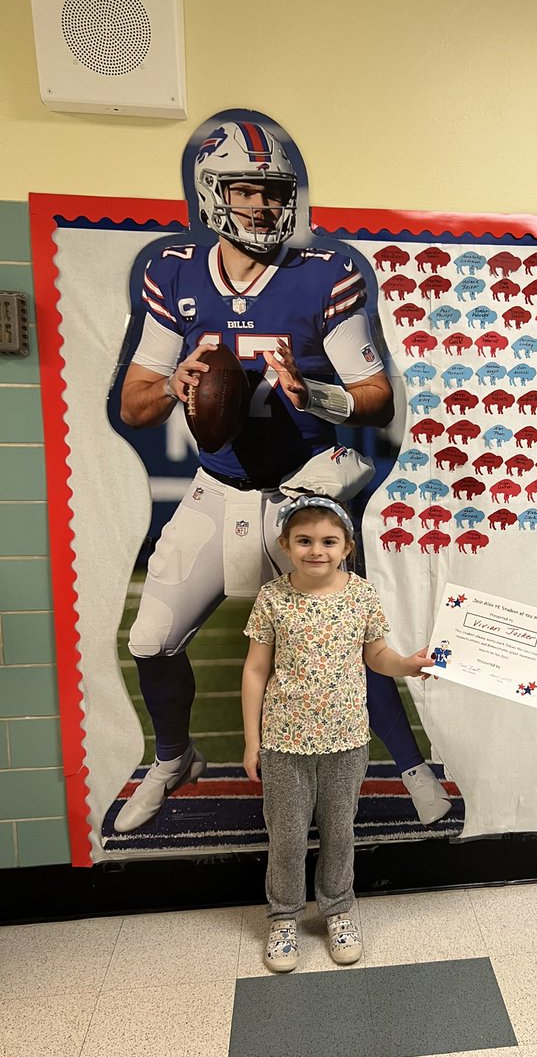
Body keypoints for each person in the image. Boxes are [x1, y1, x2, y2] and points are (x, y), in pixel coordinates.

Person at [113, 115, 450, 833]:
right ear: (211, 193)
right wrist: (177, 385)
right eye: (246, 190)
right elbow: (135, 404)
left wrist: (314, 392)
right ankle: (175, 757)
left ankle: (411, 768)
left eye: (273, 191)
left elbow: (375, 393)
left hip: (305, 489)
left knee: (347, 641)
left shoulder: (324, 273)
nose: (263, 206)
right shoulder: (172, 271)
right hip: (218, 486)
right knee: (150, 641)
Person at [242, 495, 431, 970]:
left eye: (329, 541)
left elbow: (377, 657)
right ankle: (284, 917)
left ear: (347, 546)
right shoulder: (273, 597)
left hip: (346, 740)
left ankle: (338, 909)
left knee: (339, 832)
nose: (316, 550)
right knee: (285, 836)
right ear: (285, 544)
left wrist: (406, 665)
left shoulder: (362, 594)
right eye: (304, 540)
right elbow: (255, 670)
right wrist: (252, 740)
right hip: (284, 742)